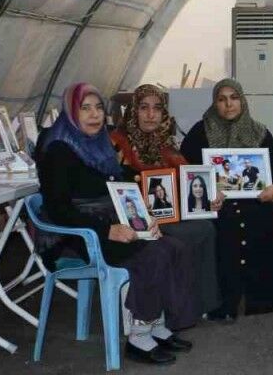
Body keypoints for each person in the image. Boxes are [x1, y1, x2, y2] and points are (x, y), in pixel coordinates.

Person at [35, 83, 194, 365]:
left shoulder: (100, 144)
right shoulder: (58, 150)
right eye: (85, 108)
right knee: (152, 255)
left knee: (174, 247)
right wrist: (107, 230)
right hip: (75, 236)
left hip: (107, 222)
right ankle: (138, 337)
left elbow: (121, 184)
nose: (95, 115)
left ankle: (157, 325)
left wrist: (147, 217)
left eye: (99, 108)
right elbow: (59, 210)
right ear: (71, 112)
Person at [181, 79, 273, 319]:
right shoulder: (200, 133)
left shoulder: (260, 132)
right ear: (215, 103)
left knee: (272, 216)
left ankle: (263, 297)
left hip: (255, 199)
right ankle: (221, 300)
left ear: (242, 101)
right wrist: (206, 192)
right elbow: (185, 172)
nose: (228, 104)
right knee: (224, 222)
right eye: (222, 99)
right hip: (216, 203)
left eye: (234, 98)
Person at [110, 83, 221, 321]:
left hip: (165, 214)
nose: (151, 115)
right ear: (133, 111)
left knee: (205, 227)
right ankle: (175, 309)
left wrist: (210, 196)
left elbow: (189, 178)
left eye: (157, 108)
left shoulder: (165, 145)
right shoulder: (117, 144)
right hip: (134, 219)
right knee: (183, 236)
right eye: (144, 108)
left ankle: (202, 303)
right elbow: (112, 188)